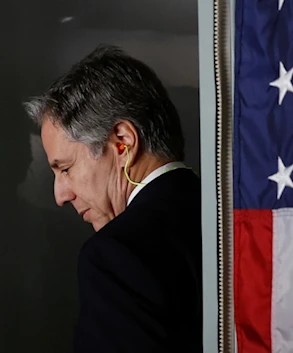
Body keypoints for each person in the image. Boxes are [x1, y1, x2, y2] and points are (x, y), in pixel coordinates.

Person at [23, 44, 203, 352]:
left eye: (66, 168)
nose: (60, 196)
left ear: (122, 143)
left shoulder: (116, 256)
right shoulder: (235, 220)